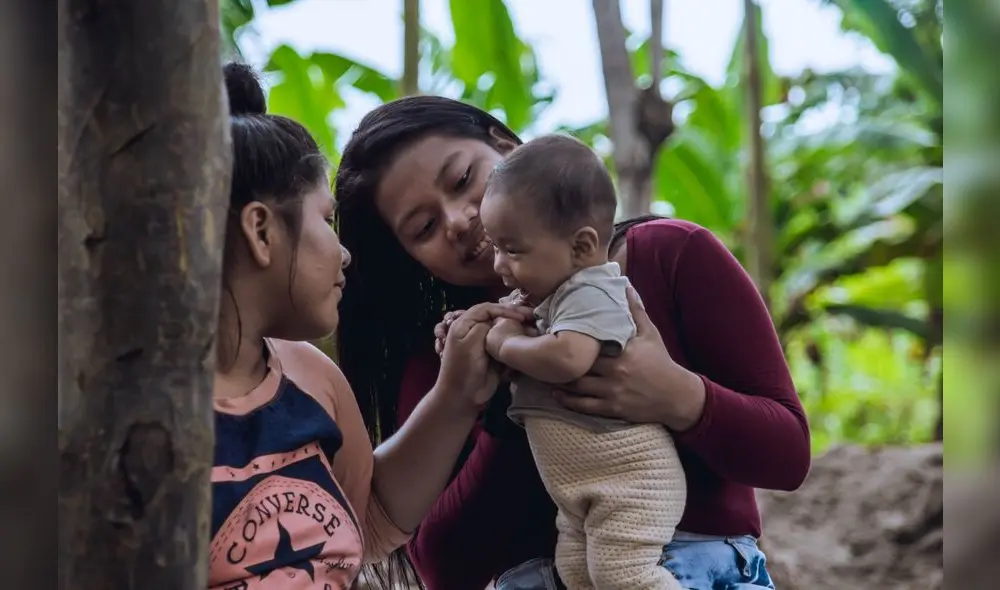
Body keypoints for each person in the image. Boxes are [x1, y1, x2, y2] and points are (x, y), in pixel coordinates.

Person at [335, 96, 811, 590]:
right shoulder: (446, 360)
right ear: (409, 258)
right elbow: (441, 566)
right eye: (424, 227)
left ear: (507, 147)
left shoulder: (669, 257)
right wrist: (501, 403)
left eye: (461, 180)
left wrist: (678, 395)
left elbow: (788, 454)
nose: (457, 219)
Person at [209, 64, 534, 590]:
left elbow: (369, 516)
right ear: (261, 230)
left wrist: (457, 396)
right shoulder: (135, 406)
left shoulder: (311, 378)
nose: (344, 254)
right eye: (323, 218)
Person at [458, 134, 685, 589]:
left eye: (513, 250)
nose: (499, 264)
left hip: (630, 482)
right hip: (584, 491)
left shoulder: (593, 290)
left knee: (625, 578)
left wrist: (504, 344)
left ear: (581, 247)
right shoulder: (556, 296)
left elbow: (567, 357)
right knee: (577, 576)